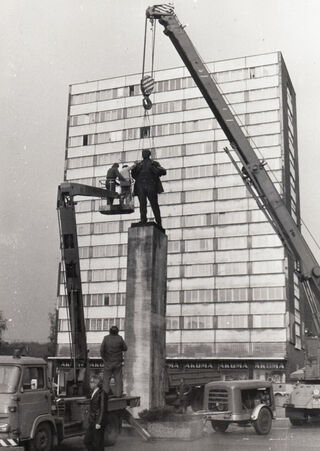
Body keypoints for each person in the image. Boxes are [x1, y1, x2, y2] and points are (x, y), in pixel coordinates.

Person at [131, 149, 166, 229]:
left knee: (154, 204)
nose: (143, 154)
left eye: (144, 153)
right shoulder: (139, 164)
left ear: (148, 154)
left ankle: (159, 222)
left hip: (151, 186)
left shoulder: (154, 163)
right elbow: (133, 175)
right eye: (142, 153)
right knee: (142, 204)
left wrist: (158, 169)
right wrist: (133, 168)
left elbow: (163, 171)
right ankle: (143, 220)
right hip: (141, 186)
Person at [100, 325, 127, 397]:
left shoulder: (106, 338)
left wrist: (104, 359)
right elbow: (125, 348)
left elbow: (102, 350)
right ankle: (118, 394)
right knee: (118, 379)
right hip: (117, 363)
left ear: (110, 331)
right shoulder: (120, 338)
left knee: (106, 380)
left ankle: (105, 396)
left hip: (108, 362)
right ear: (117, 331)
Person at [83, 374, 107, 451]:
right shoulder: (94, 392)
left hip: (97, 422)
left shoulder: (102, 393)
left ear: (96, 384)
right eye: (90, 382)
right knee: (87, 441)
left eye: (92, 382)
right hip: (92, 421)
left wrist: (99, 423)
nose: (90, 383)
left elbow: (103, 409)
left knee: (98, 444)